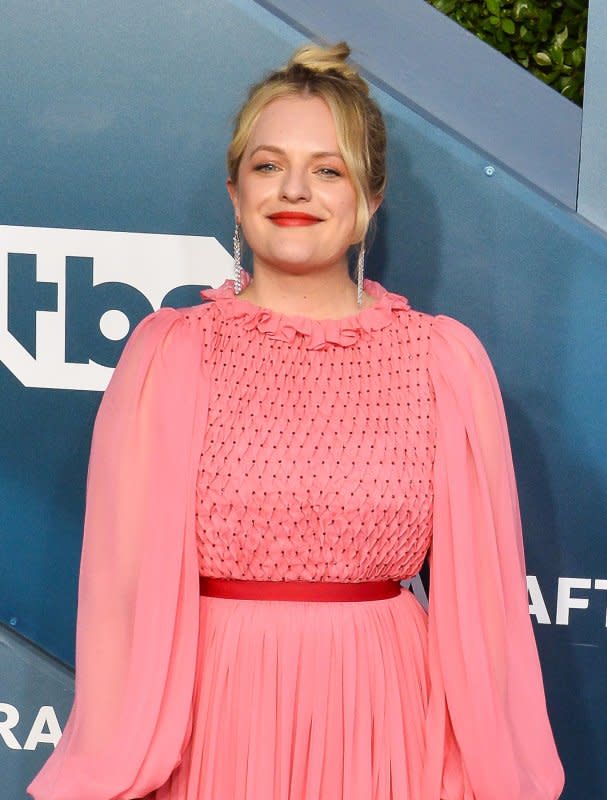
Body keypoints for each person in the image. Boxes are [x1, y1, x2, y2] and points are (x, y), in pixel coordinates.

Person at [28, 41, 565, 800]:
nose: (295, 189)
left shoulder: (441, 359)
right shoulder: (170, 353)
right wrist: (117, 763)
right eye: (268, 165)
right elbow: (120, 595)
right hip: (210, 716)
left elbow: (484, 613)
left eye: (328, 168)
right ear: (235, 191)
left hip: (384, 716)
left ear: (368, 201)